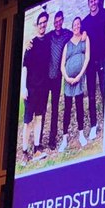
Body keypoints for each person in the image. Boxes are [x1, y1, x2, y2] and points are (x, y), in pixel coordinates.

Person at [20, 10, 51, 161]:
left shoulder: (48, 41)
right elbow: (25, 67)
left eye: (45, 22)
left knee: (39, 118)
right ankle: (25, 152)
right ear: (36, 25)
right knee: (27, 121)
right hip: (30, 89)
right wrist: (23, 88)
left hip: (43, 88)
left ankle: (37, 149)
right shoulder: (31, 44)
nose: (42, 25)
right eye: (40, 23)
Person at [82, 0, 105, 142]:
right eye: (90, 1)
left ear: (98, 0)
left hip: (104, 59)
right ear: (88, 4)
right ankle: (94, 125)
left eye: (95, 0)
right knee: (92, 94)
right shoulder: (85, 22)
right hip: (91, 64)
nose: (93, 3)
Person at [59, 15, 92, 150]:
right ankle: (65, 138)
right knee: (67, 109)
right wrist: (67, 77)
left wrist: (79, 76)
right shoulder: (67, 44)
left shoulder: (85, 39)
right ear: (72, 27)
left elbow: (87, 58)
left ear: (81, 26)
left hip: (79, 79)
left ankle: (81, 134)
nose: (76, 26)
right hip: (68, 80)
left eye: (79, 24)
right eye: (75, 24)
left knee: (79, 106)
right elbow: (62, 64)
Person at [45, 10, 68, 150]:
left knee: (54, 108)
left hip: (57, 78)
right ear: (53, 22)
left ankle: (52, 139)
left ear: (62, 21)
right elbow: (38, 41)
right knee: (42, 109)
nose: (58, 23)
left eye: (60, 21)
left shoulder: (67, 34)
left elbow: (77, 35)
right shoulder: (48, 36)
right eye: (56, 21)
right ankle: (38, 141)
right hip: (46, 77)